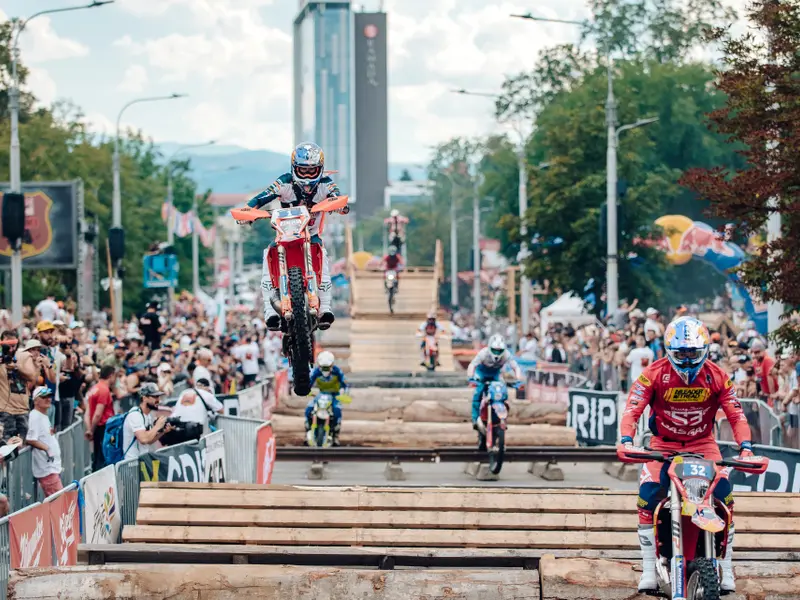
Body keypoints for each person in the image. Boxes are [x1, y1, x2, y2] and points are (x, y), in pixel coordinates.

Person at [617, 316, 753, 594]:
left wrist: (746, 448)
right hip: (662, 446)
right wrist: (627, 440)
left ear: (703, 349)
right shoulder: (652, 373)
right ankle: (648, 569)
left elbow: (737, 415)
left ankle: (725, 567)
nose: (688, 359)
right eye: (681, 353)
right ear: (669, 350)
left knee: (725, 494)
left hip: (703, 444)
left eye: (693, 352)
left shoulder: (718, 375)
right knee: (648, 494)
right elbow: (632, 409)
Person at [235, 142, 349, 331]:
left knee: (323, 255)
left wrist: (340, 205)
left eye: (311, 171)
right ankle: (269, 311)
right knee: (267, 255)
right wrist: (249, 209)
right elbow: (263, 196)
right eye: (302, 171)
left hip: (310, 235)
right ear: (294, 168)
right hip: (285, 234)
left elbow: (337, 195)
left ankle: (325, 308)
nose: (306, 176)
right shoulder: (284, 182)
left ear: (319, 169)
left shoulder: (325, 184)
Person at [466, 335, 523, 428]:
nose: (497, 353)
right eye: (494, 350)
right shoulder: (483, 353)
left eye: (499, 350)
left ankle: (502, 418)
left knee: (503, 391)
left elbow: (516, 367)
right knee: (478, 392)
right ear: (489, 347)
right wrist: (471, 378)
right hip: (481, 373)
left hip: (495, 374)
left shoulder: (506, 355)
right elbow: (472, 365)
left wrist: (518, 379)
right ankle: (475, 419)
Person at [122, 382, 175, 460]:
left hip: (141, 461)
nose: (158, 400)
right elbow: (144, 439)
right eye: (155, 397)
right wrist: (157, 426)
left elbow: (149, 440)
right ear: (144, 398)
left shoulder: (147, 415)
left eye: (159, 397)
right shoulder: (135, 415)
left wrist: (163, 432)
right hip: (131, 464)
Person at [25, 386, 63, 498]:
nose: (48, 399)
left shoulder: (42, 415)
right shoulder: (35, 416)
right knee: (59, 504)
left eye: (49, 396)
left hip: (52, 468)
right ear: (36, 401)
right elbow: (30, 439)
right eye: (44, 397)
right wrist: (47, 449)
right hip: (47, 470)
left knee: (58, 504)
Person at [305, 351, 347, 446]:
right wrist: (306, 390)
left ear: (332, 365)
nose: (325, 369)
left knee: (337, 411)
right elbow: (309, 383)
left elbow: (345, 384)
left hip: (334, 395)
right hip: (321, 395)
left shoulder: (337, 371)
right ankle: (307, 430)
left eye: (327, 367)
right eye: (323, 367)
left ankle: (335, 435)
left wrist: (344, 392)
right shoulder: (316, 372)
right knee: (309, 409)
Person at [84, 365, 117, 472]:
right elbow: (98, 413)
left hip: (98, 428)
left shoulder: (94, 389)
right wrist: (92, 430)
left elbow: (88, 412)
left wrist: (90, 429)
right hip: (103, 428)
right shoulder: (104, 390)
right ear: (111, 375)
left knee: (98, 456)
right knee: (103, 458)